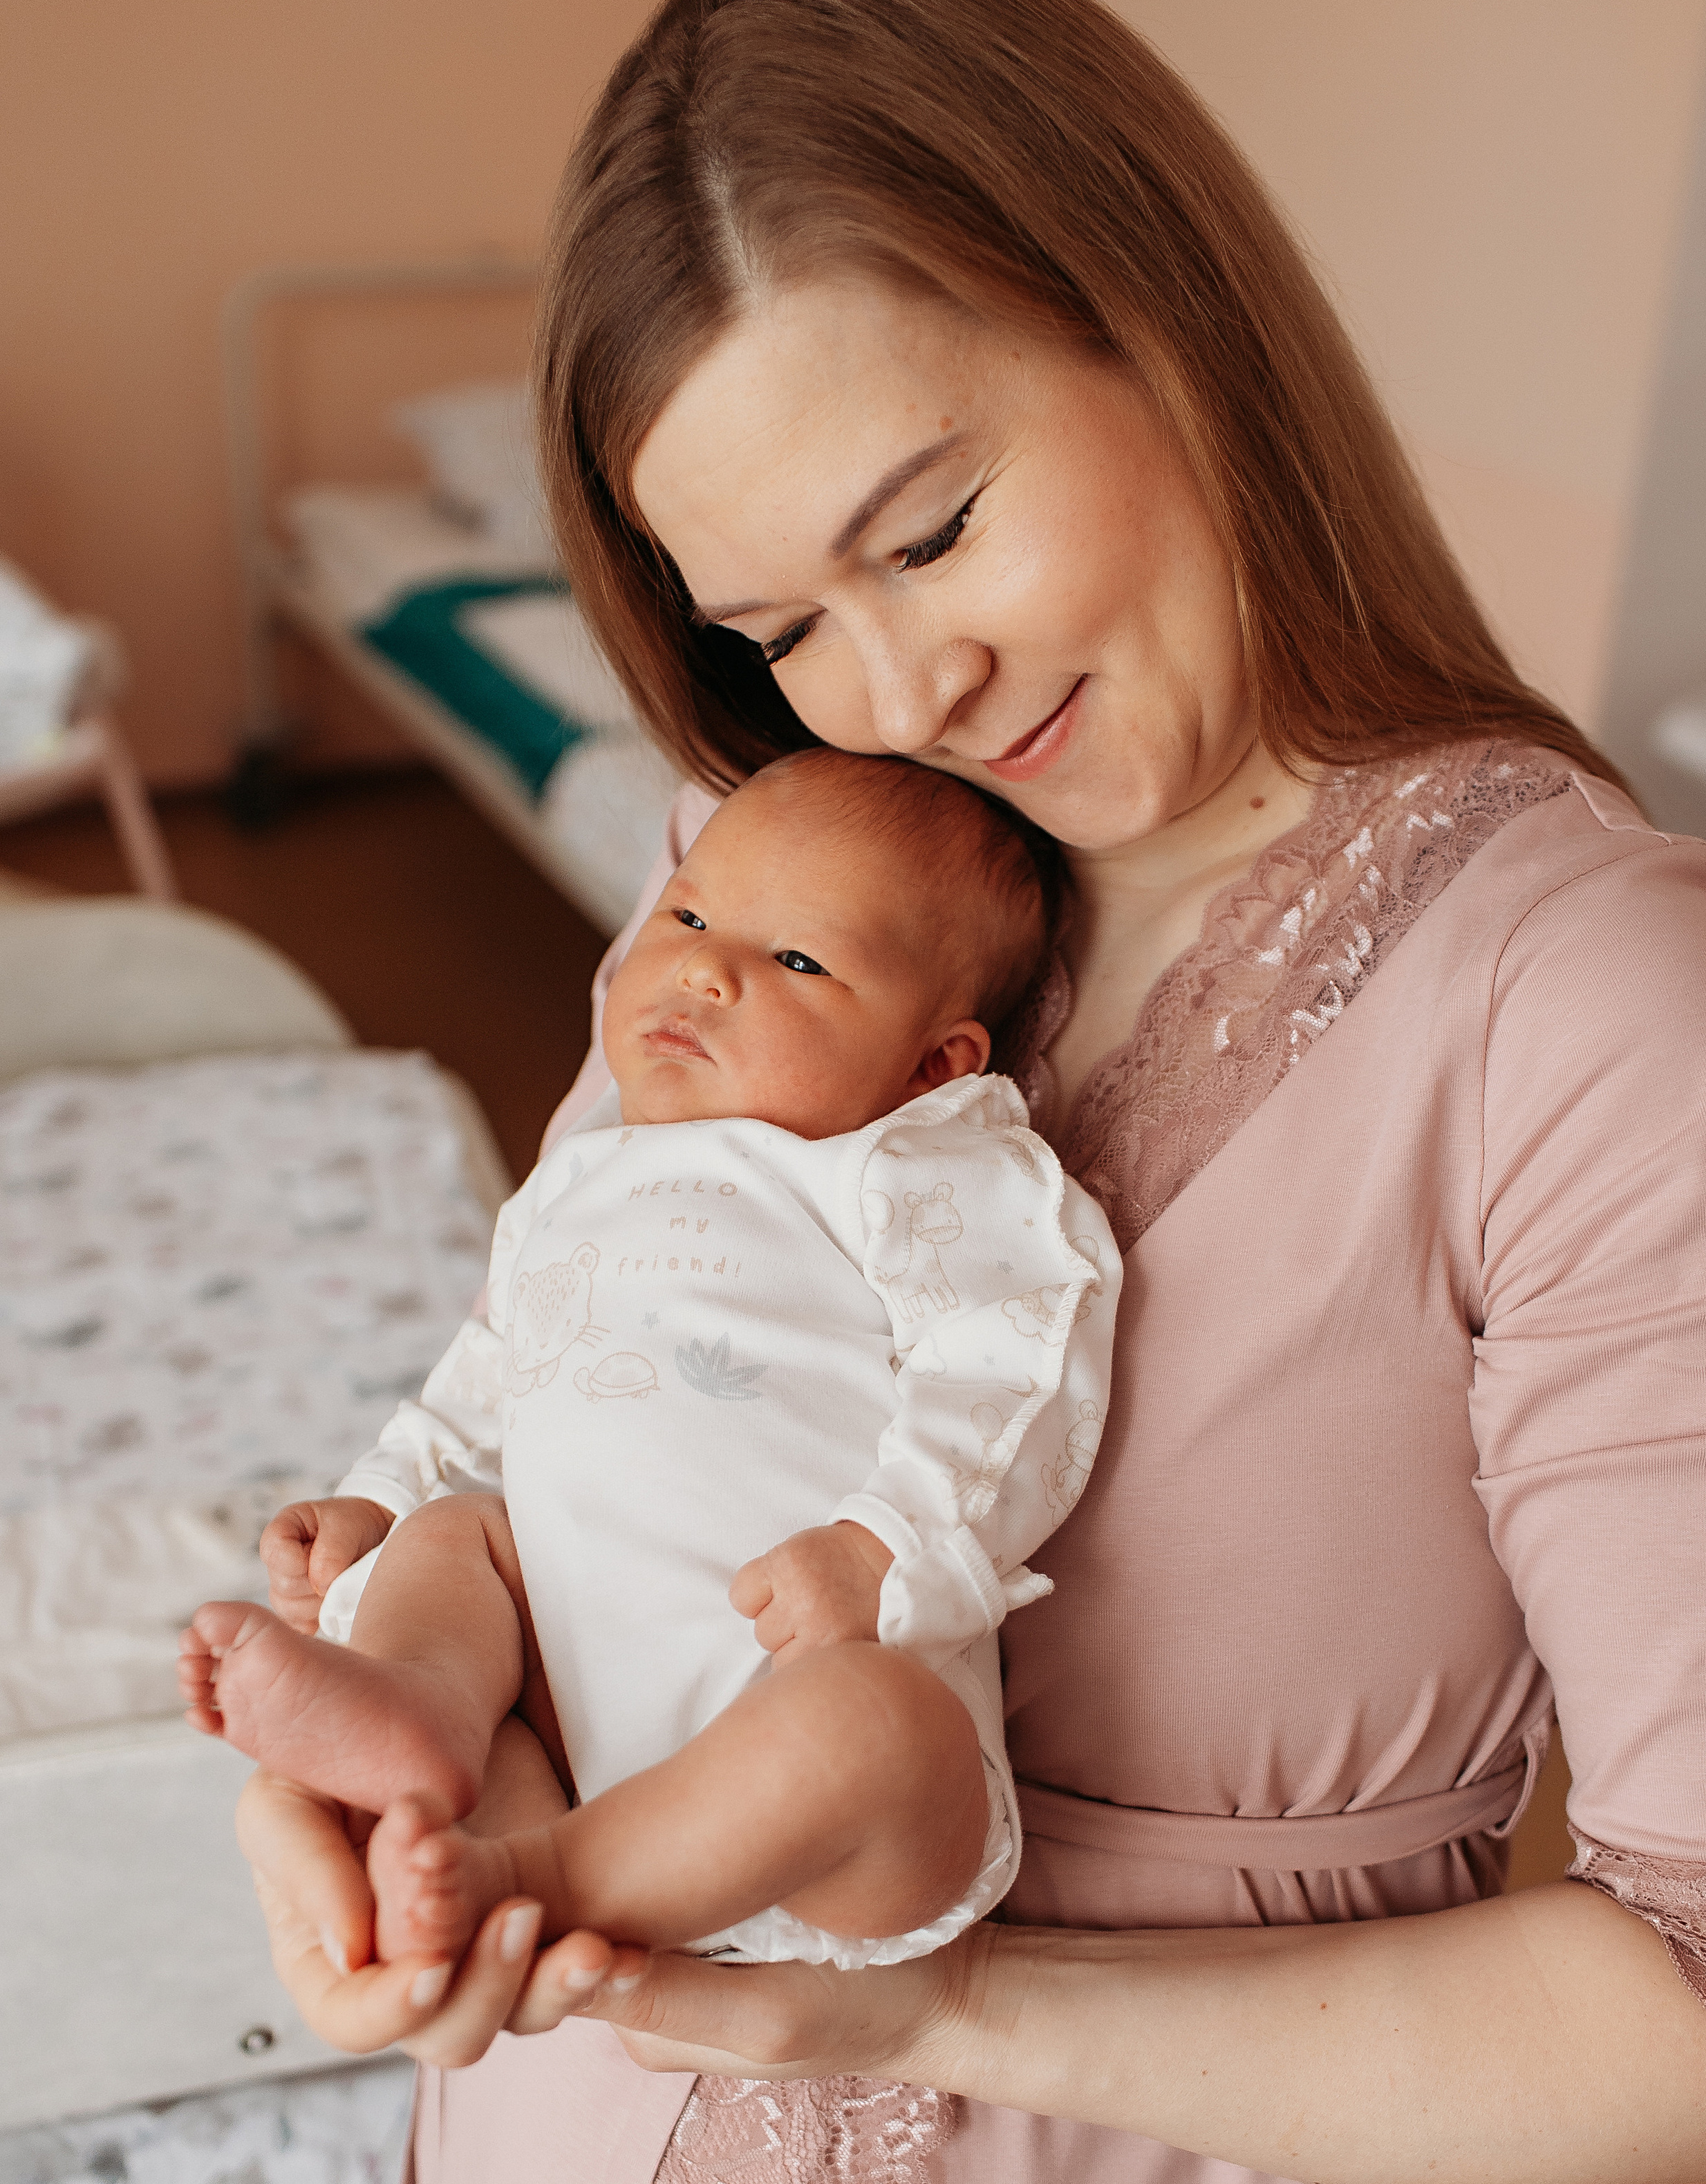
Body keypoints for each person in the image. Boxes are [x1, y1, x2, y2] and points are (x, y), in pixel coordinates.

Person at [234, 0, 1706, 2184]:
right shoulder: (771, 866)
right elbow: (589, 1414)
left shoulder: (1593, 1010)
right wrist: (406, 1768)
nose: (892, 691)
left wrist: (940, 2021)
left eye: (930, 530)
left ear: (1164, 311)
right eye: (775, 627)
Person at [180, 754, 1115, 1972]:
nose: (704, 966)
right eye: (687, 914)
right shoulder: (579, 1175)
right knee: (454, 1542)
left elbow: (1019, 1365)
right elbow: (488, 1373)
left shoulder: (904, 1169)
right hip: (562, 1730)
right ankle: (426, 1717)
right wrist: (380, 1501)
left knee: (872, 1722)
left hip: (818, 1760)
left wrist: (884, 1549)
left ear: (931, 1065)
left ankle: (546, 1876)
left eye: (798, 962)